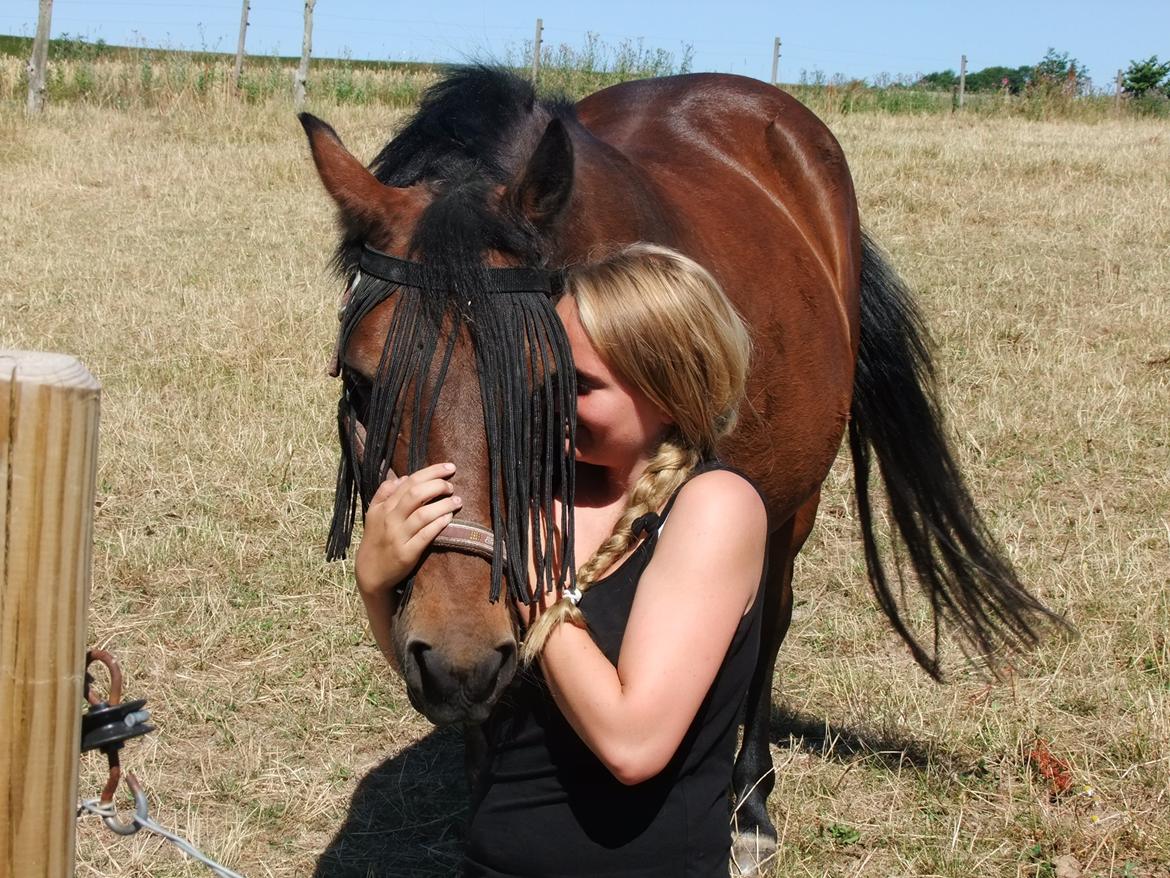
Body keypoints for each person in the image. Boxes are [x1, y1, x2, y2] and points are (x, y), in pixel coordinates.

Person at [355, 243, 769, 877]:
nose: (544, 404)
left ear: (668, 387)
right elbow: (454, 686)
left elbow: (633, 743)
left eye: (576, 385)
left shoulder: (714, 508)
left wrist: (541, 585)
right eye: (541, 378)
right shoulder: (538, 489)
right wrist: (376, 584)